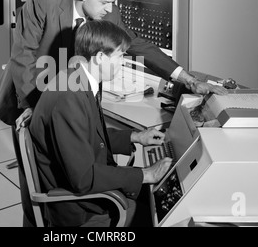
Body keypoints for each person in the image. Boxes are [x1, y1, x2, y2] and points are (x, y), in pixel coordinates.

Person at [9, 0, 227, 129]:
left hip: (80, 95)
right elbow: (24, 54)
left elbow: (139, 46)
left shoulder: (110, 14)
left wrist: (189, 80)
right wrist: (33, 105)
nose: (110, 9)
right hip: (36, 89)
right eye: (105, 2)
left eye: (113, 2)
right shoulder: (44, 1)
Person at [29, 20, 173, 227]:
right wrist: (145, 173)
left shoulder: (76, 80)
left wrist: (135, 136)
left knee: (153, 195)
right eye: (120, 55)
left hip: (86, 191)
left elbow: (86, 137)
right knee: (158, 213)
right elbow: (84, 178)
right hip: (81, 211)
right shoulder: (70, 98)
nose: (123, 61)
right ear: (99, 58)